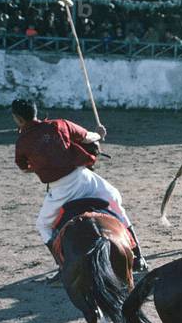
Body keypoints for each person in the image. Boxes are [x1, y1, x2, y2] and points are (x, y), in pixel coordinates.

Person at [12, 98, 147, 280]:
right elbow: (88, 137)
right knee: (115, 200)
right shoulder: (60, 124)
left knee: (43, 226)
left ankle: (63, 267)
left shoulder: (22, 142)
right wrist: (99, 134)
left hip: (60, 191)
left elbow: (23, 168)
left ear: (18, 119)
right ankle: (138, 257)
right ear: (36, 112)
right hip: (85, 180)